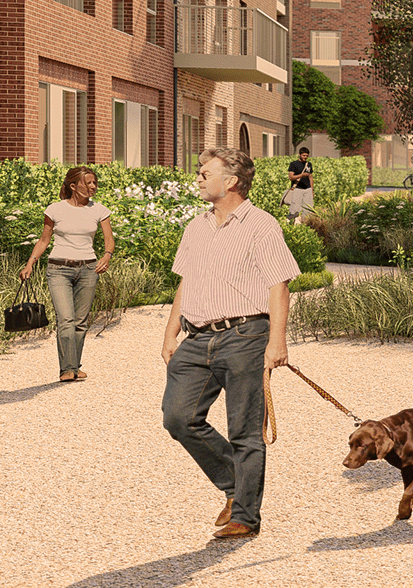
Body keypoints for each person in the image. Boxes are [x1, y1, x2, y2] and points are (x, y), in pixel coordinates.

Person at [158, 148, 300, 540]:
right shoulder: (195, 227)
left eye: (206, 173)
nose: (199, 178)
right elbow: (185, 281)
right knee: (178, 417)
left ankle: (245, 516)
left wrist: (277, 342)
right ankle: (237, 485)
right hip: (196, 336)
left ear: (232, 181)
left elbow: (279, 285)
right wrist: (171, 332)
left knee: (244, 431)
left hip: (245, 336)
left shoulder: (262, 225)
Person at [21, 167, 116, 383]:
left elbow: (109, 239)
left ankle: (73, 366)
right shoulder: (55, 209)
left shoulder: (100, 210)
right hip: (58, 269)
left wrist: (107, 255)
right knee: (66, 319)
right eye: (88, 183)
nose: (93, 187)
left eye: (95, 183)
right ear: (73, 186)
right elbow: (44, 240)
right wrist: (30, 264)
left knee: (81, 322)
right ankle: (67, 369)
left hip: (88, 269)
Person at [285, 149, 315, 218]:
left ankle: (306, 223)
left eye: (307, 156)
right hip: (297, 189)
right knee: (295, 209)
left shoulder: (309, 164)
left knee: (308, 209)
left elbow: (310, 177)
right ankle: (292, 223)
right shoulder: (293, 164)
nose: (305, 157)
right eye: (304, 155)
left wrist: (312, 189)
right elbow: (291, 177)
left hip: (308, 189)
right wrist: (301, 175)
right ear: (299, 155)